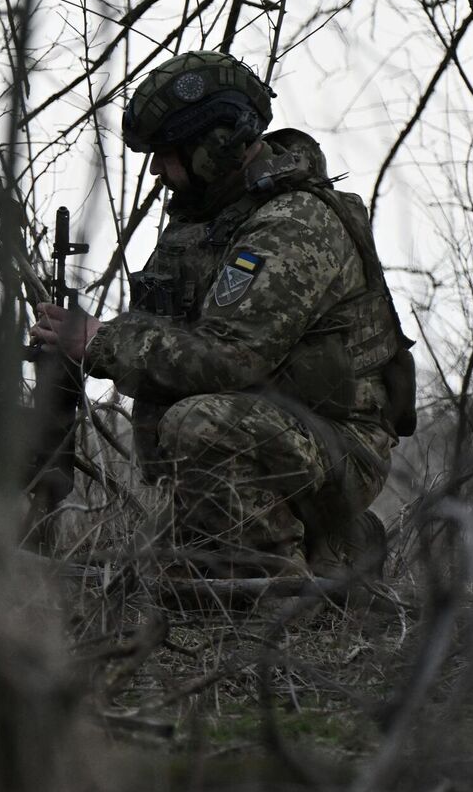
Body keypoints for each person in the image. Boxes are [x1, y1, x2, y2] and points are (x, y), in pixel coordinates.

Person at [31, 50, 412, 581]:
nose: (157, 171)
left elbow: (231, 360)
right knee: (157, 573)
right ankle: (328, 545)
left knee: (199, 424)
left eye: (166, 153)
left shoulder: (292, 224)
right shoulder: (206, 219)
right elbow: (172, 339)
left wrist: (99, 341)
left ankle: (277, 590)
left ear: (216, 146)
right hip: (276, 431)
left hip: (340, 443)